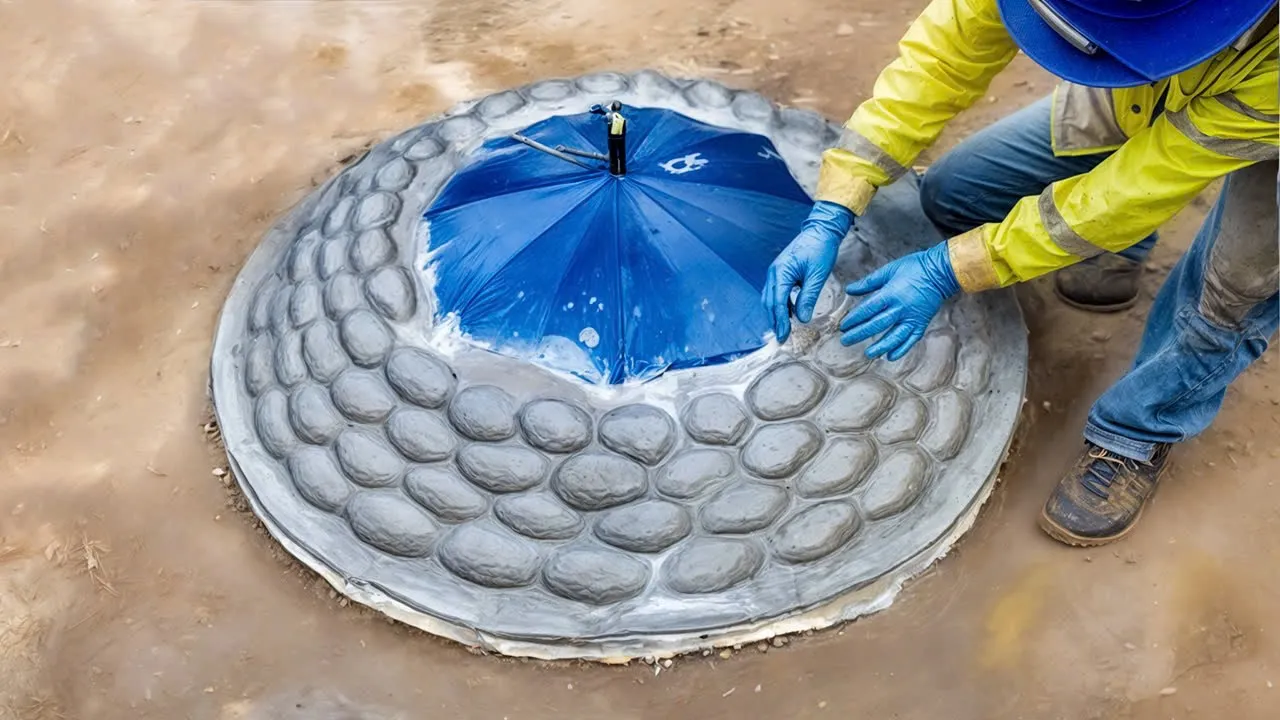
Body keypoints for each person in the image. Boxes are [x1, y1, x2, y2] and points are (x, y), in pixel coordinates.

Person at [763, 0, 1278, 546]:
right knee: (954, 194)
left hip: (1261, 94)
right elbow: (944, 54)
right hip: (1144, 80)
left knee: (1240, 280)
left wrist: (950, 269)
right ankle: (1121, 244)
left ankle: (1137, 430)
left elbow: (1136, 189)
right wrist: (837, 200)